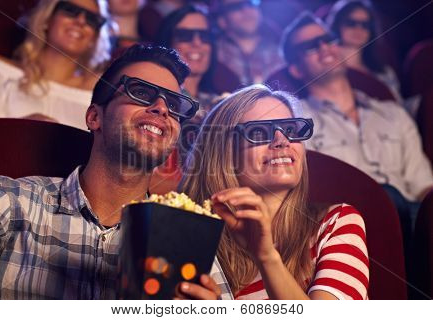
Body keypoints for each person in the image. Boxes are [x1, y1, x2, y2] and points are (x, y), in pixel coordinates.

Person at [0, 44, 220, 300]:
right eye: (140, 92)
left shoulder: (187, 239)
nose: (162, 108)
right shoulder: (6, 201)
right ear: (95, 117)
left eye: (173, 103)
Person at [180, 84, 370, 299]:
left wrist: (266, 256)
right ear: (222, 153)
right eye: (259, 132)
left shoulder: (335, 223)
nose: (282, 141)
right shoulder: (188, 235)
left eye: (291, 130)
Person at [281, 12, 433, 247]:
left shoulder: (393, 113)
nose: (324, 48)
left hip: (411, 224)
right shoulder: (297, 122)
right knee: (387, 196)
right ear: (296, 70)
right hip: (345, 225)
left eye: (328, 39)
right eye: (311, 46)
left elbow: (422, 184)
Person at [0, 0, 111, 130]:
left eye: (92, 19)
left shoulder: (98, 97)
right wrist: (20, 128)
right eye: (70, 10)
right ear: (47, 18)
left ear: (95, 36)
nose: (81, 21)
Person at [326, 0, 419, 113]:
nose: (358, 29)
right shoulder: (327, 70)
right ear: (337, 25)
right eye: (351, 23)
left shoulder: (383, 72)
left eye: (365, 25)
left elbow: (398, 106)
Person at [214, 0, 284, 85]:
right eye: (236, 6)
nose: (246, 10)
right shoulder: (212, 53)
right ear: (222, 21)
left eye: (251, 3)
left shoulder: (281, 49)